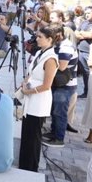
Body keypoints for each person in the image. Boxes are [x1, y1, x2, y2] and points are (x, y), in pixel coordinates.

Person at [19, 26, 59, 172]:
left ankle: (31, 167)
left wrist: (29, 91)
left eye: (40, 37)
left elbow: (47, 85)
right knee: (26, 133)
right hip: (30, 98)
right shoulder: (39, 53)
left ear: (49, 39)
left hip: (39, 101)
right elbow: (31, 72)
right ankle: (24, 164)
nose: (37, 39)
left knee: (33, 136)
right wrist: (24, 83)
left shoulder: (51, 59)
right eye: (37, 36)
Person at [42, 24, 78, 148]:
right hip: (59, 83)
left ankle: (59, 139)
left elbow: (62, 66)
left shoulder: (66, 47)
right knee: (54, 110)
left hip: (65, 85)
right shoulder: (60, 44)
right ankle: (53, 132)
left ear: (59, 35)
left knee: (59, 112)